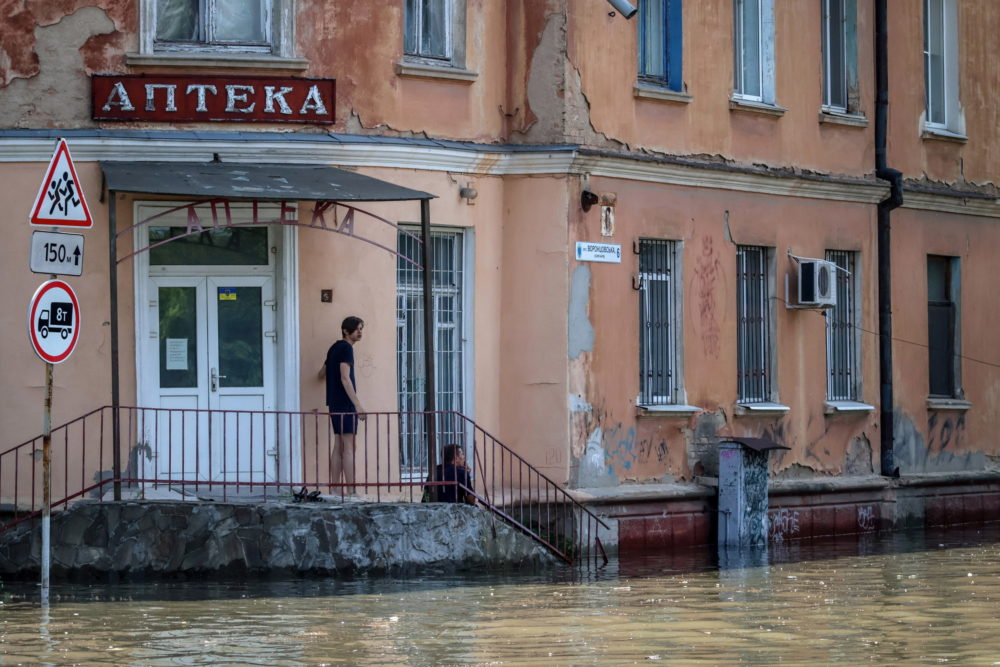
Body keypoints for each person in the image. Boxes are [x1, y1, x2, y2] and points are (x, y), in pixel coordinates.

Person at [318, 316, 366, 495]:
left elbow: (321, 373)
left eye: (361, 328)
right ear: (346, 331)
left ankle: (335, 489)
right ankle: (352, 492)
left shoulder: (334, 348)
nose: (360, 332)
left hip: (333, 402)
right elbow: (345, 378)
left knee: (338, 444)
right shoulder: (346, 348)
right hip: (346, 404)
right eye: (357, 328)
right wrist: (358, 406)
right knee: (349, 447)